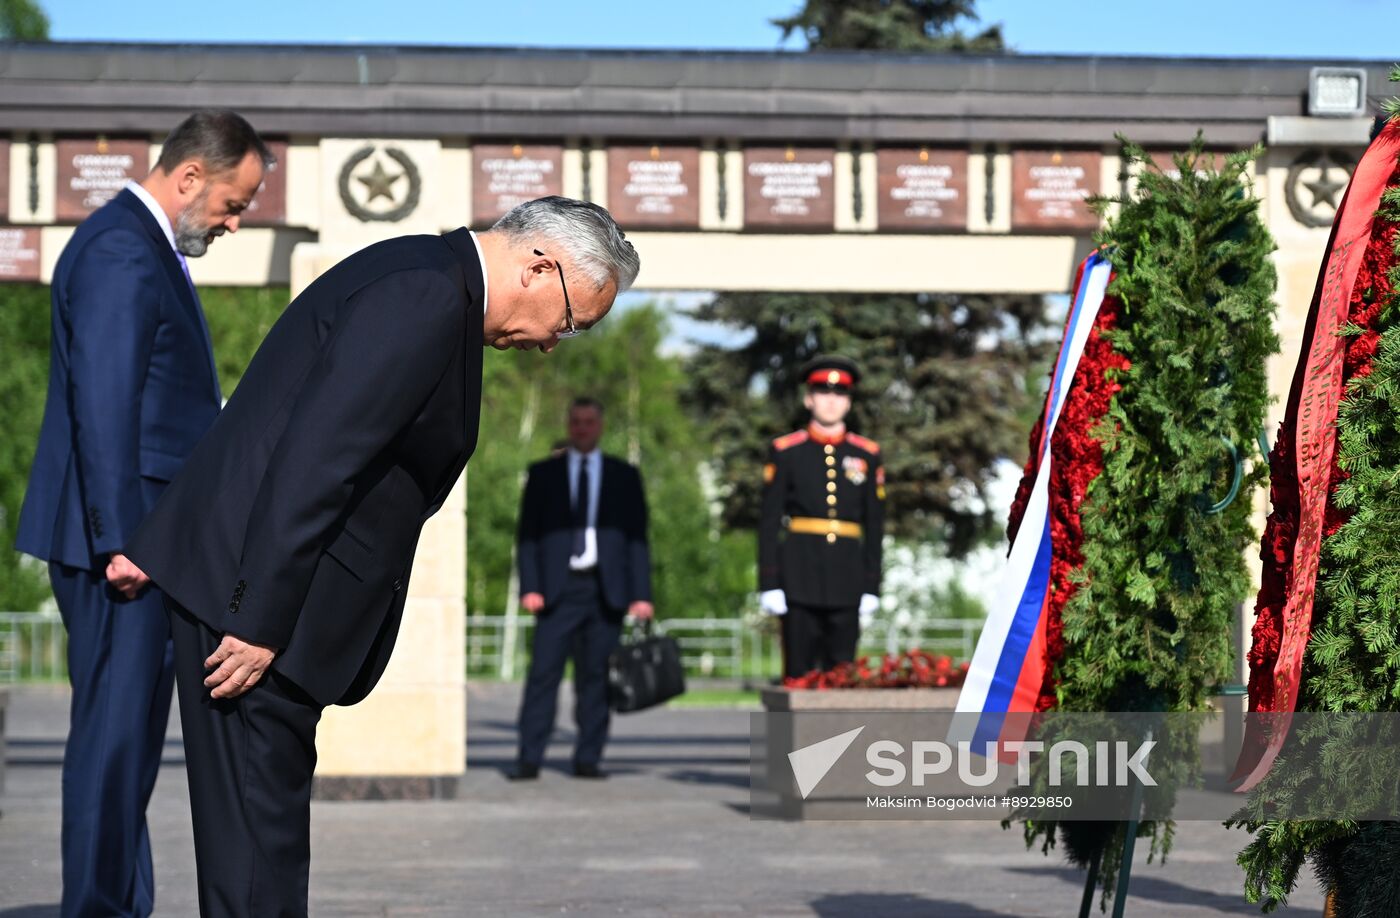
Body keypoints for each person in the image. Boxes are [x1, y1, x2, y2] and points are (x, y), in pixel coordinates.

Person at [122, 196, 638, 917]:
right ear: (539, 264)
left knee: (263, 846)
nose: (555, 342)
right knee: (253, 851)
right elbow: (317, 460)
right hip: (250, 607)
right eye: (572, 320)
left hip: (261, 597)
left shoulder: (433, 284)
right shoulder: (425, 294)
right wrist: (261, 616)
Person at [15, 110, 269, 918]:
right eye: (233, 204)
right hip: (126, 547)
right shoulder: (125, 247)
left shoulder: (141, 244)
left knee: (125, 744)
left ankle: (120, 903)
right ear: (190, 176)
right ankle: (98, 908)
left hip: (145, 537)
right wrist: (123, 540)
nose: (233, 223)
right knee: (112, 740)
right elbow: (106, 400)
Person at [513, 397, 654, 780]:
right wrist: (530, 585)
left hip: (605, 592)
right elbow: (528, 536)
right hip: (557, 592)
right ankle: (529, 758)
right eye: (576, 421)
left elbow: (637, 540)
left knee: (595, 680)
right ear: (569, 424)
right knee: (543, 676)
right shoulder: (544, 475)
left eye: (589, 421)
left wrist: (641, 594)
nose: (582, 428)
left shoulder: (624, 476)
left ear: (600, 426)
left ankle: (588, 758)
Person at [758, 356, 886, 680]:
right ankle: (792, 734)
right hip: (798, 576)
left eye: (840, 394)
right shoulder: (786, 451)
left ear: (849, 402)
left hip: (848, 578)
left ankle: (841, 733)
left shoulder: (866, 454)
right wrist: (769, 583)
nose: (832, 401)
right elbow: (769, 520)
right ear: (808, 398)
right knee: (797, 674)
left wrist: (872, 585)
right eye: (823, 392)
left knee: (843, 674)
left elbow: (874, 524)